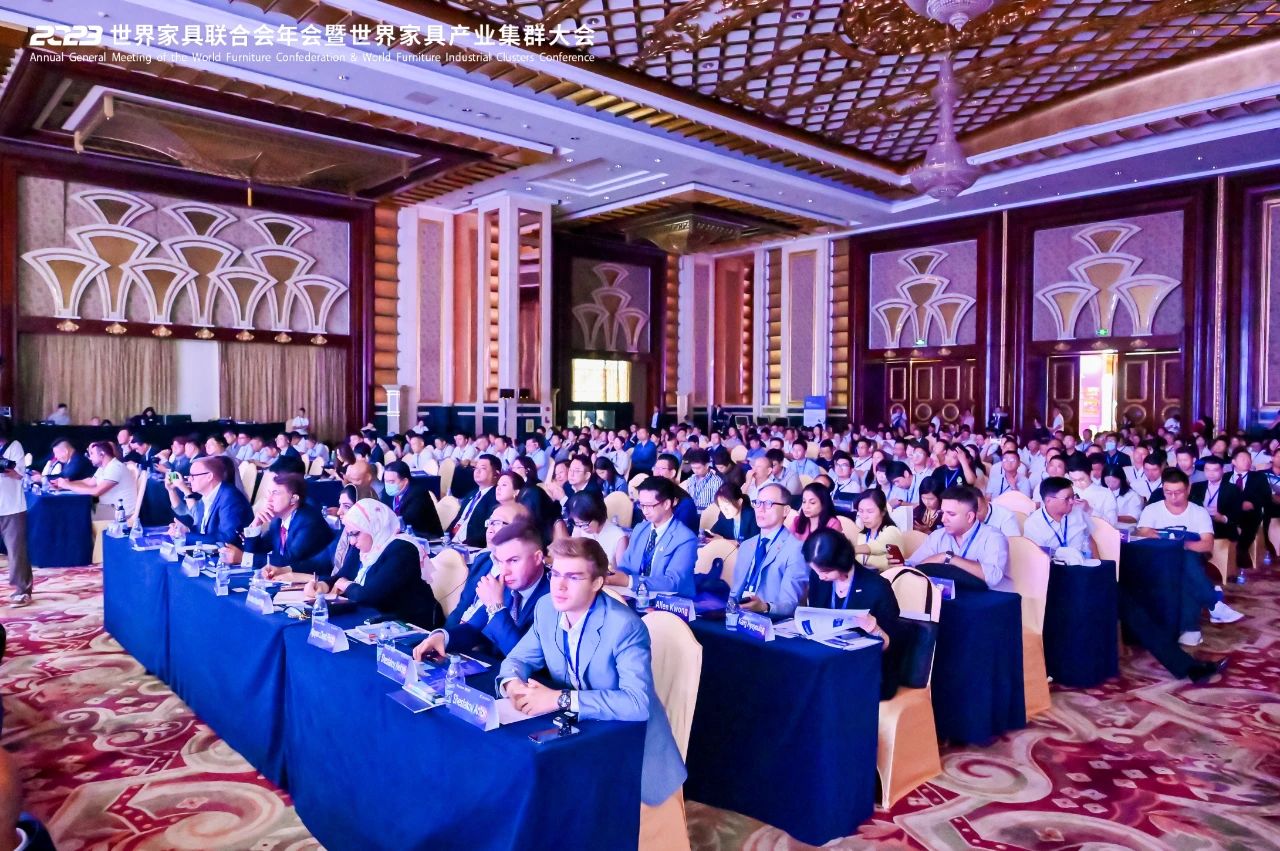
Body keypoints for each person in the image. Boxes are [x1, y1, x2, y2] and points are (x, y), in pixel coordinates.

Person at [497, 536, 688, 832]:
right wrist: (512, 685)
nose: (559, 586)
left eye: (573, 577)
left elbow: (637, 704)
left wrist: (559, 699)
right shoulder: (547, 608)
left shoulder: (624, 626)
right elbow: (517, 660)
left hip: (630, 750)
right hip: (581, 738)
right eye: (555, 574)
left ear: (597, 583)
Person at [412, 518, 549, 662]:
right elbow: (474, 628)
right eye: (500, 562)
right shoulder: (504, 583)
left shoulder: (552, 597)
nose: (504, 571)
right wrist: (442, 638)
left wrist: (496, 607)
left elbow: (526, 659)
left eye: (513, 561)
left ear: (537, 558)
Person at [1135, 469, 1242, 647]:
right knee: (1184, 562)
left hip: (1190, 557)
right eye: (1168, 492)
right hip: (1158, 559)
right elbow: (1143, 533)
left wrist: (1178, 544)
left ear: (1188, 489)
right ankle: (1212, 603)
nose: (1173, 497)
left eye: (1178, 492)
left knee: (1185, 562)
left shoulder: (1198, 512)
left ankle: (1191, 628)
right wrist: (1163, 540)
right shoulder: (1152, 509)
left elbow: (1207, 544)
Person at [305, 499, 442, 629]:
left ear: (373, 526)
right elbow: (341, 576)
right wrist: (322, 586)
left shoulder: (403, 550)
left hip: (408, 624)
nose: (352, 541)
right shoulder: (363, 547)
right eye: (349, 535)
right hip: (373, 618)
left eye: (355, 534)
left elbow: (369, 595)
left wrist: (346, 585)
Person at [803, 529, 901, 699]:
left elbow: (890, 646)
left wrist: (874, 628)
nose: (820, 577)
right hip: (829, 658)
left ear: (842, 562)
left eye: (825, 572)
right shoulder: (819, 578)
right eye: (816, 571)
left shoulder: (877, 587)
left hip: (868, 667)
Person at [907, 486, 1010, 591]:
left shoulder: (993, 537)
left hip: (989, 597)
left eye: (951, 514)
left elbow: (993, 577)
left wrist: (949, 558)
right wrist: (903, 565)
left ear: (969, 517)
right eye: (943, 513)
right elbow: (912, 565)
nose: (943, 519)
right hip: (948, 596)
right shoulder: (938, 535)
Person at [729, 483, 809, 616]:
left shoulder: (796, 548)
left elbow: (789, 604)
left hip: (770, 618)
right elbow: (735, 592)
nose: (760, 509)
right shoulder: (747, 545)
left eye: (768, 504)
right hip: (739, 613)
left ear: (786, 510)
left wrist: (764, 607)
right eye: (757, 503)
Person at [612, 476, 698, 597]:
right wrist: (614, 576)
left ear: (667, 504)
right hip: (634, 597)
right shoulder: (640, 529)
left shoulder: (686, 539)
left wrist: (629, 581)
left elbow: (673, 583)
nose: (645, 511)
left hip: (669, 602)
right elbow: (625, 567)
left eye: (649, 506)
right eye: (641, 505)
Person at [241, 473, 333, 567]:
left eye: (275, 493)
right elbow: (258, 551)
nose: (269, 499)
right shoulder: (278, 521)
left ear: (293, 499)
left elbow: (290, 560)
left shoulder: (309, 522)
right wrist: (255, 525)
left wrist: (244, 558)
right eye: (269, 493)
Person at [167, 456, 253, 545]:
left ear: (209, 476)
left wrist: (187, 536)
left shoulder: (230, 498)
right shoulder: (206, 497)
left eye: (193, 476)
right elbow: (203, 531)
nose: (189, 479)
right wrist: (185, 530)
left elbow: (228, 538)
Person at [53, 441, 137, 521]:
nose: (90, 457)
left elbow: (95, 492)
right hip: (109, 508)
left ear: (102, 454)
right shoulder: (103, 467)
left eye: (92, 454)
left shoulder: (115, 467)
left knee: (76, 512)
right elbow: (89, 483)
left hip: (121, 512)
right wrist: (66, 483)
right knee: (74, 509)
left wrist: (68, 485)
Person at [1023, 476, 1094, 557]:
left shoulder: (1079, 513)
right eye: (1067, 498)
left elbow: (1090, 540)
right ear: (1049, 501)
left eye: (1072, 497)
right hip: (1051, 564)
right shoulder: (1033, 524)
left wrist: (1098, 562)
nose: (1072, 502)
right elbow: (1035, 555)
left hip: (1082, 562)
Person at [0, 420, 31, 606]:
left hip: (12, 507)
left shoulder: (14, 446)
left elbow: (20, 474)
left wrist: (7, 469)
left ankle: (22, 590)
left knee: (16, 550)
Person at [1228, 447, 1270, 568]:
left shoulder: (1259, 477)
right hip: (1229, 511)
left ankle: (1241, 549)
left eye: (1248, 459)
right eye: (1243, 459)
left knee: (1250, 519)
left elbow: (1265, 496)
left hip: (1250, 512)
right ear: (1233, 462)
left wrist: (1252, 504)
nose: (1247, 461)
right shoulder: (1225, 477)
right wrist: (1238, 504)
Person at [448, 454, 500, 547]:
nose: (477, 471)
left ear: (496, 474)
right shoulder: (471, 493)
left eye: (483, 468)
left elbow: (486, 532)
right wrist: (446, 536)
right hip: (451, 542)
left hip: (470, 546)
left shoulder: (496, 498)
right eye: (476, 468)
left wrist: (464, 544)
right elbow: (458, 518)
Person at [568, 491, 629, 569]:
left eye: (585, 523)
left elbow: (622, 573)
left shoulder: (619, 538)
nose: (582, 528)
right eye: (577, 523)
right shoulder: (578, 529)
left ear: (597, 514)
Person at [381, 461, 443, 537]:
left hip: (426, 537)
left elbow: (407, 520)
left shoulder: (418, 494)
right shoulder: (387, 491)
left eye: (391, 482)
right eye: (385, 481)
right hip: (399, 535)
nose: (387, 485)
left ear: (405, 481)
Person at [850, 489, 905, 571]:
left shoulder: (891, 530)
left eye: (870, 511)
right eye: (861, 511)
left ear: (883, 511)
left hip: (888, 577)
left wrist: (849, 549)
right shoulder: (862, 535)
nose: (864, 516)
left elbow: (876, 546)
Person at [1191, 456, 1242, 544]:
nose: (1210, 473)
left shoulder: (1233, 489)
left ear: (1222, 470)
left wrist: (1223, 518)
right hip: (1200, 528)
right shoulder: (1196, 487)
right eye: (1207, 470)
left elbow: (1238, 514)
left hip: (1223, 528)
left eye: (1215, 470)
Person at [1105, 466, 1144, 532]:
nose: (1110, 485)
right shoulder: (1102, 493)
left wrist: (1112, 517)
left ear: (1121, 479)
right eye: (1107, 481)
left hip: (1126, 530)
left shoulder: (1132, 495)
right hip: (1105, 529)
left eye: (1114, 482)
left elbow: (1134, 518)